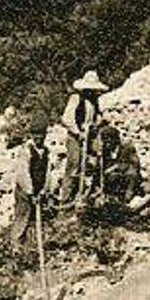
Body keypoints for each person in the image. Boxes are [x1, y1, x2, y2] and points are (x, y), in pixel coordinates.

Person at [59, 69, 107, 203]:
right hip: (75, 136)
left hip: (89, 135)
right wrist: (77, 132)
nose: (92, 92)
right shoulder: (75, 99)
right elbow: (67, 119)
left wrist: (98, 122)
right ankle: (66, 198)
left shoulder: (94, 100)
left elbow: (97, 115)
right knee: (74, 164)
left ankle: (92, 191)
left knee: (95, 160)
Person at [10, 118, 51, 251]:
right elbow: (23, 174)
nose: (38, 138)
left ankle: (30, 246)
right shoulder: (26, 151)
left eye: (41, 135)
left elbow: (48, 172)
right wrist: (30, 192)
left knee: (33, 219)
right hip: (25, 192)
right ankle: (15, 246)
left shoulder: (46, 151)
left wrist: (44, 190)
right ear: (31, 135)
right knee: (22, 217)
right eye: (35, 135)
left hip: (38, 191)